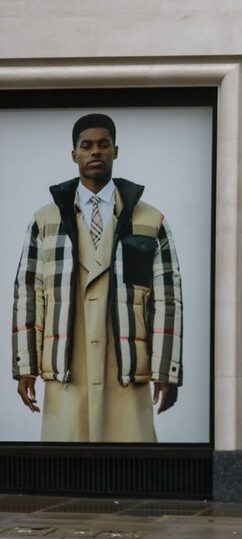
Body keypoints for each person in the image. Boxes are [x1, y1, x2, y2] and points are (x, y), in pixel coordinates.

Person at [12, 113, 183, 442]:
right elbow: (28, 295)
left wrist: (166, 370)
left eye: (103, 145)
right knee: (66, 473)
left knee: (130, 471)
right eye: (86, 145)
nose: (95, 152)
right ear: (73, 154)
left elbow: (167, 299)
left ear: (115, 152)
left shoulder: (150, 221)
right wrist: (26, 367)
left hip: (127, 368)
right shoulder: (44, 222)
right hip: (67, 369)